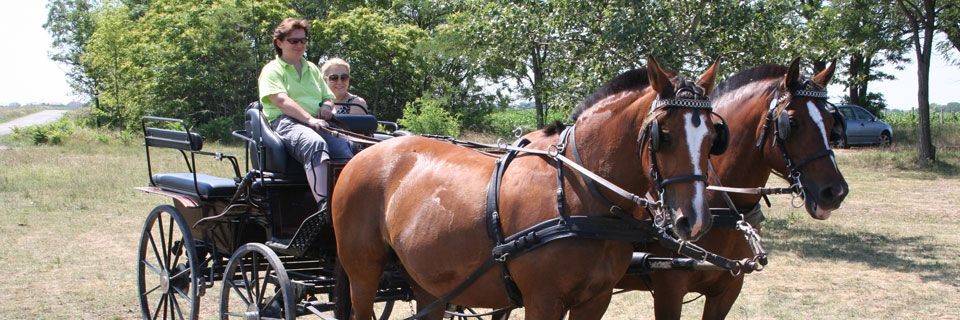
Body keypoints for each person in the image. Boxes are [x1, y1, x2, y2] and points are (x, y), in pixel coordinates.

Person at [257, 18, 353, 213]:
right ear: (280, 43)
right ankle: (325, 207)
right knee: (314, 143)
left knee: (345, 147)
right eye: (294, 41)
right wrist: (309, 119)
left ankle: (349, 201)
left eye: (303, 40)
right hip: (285, 122)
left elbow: (328, 97)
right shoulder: (272, 70)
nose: (299, 45)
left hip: (317, 122)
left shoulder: (312, 69)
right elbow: (281, 101)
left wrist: (326, 107)